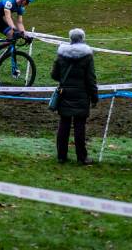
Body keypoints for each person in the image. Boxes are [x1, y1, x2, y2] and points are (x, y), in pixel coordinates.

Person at [51, 28, 98, 165]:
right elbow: (91, 79)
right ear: (83, 38)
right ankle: (81, 157)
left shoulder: (61, 55)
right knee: (80, 127)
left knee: (64, 125)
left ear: (70, 39)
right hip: (82, 95)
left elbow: (54, 75)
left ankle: (61, 156)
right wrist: (94, 97)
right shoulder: (88, 56)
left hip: (65, 93)